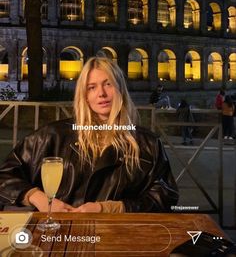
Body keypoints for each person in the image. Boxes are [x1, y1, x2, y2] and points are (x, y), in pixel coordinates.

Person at [0, 57, 178, 213]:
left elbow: (165, 197)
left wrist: (111, 209)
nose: (101, 93)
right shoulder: (51, 136)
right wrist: (38, 198)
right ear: (84, 96)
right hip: (59, 232)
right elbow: (5, 177)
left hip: (117, 234)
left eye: (108, 84)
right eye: (92, 87)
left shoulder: (148, 143)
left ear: (120, 89)